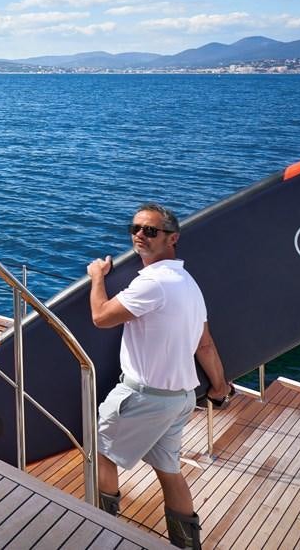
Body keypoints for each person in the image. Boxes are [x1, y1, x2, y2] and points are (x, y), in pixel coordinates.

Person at [87, 202, 231, 550]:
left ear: (172, 238)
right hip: (180, 399)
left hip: (144, 396)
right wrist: (219, 387)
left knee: (100, 452)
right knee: (169, 471)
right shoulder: (188, 283)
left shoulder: (153, 283)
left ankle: (99, 536)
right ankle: (186, 545)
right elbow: (205, 345)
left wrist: (97, 277)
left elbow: (101, 317)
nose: (140, 235)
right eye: (135, 229)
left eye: (150, 230)